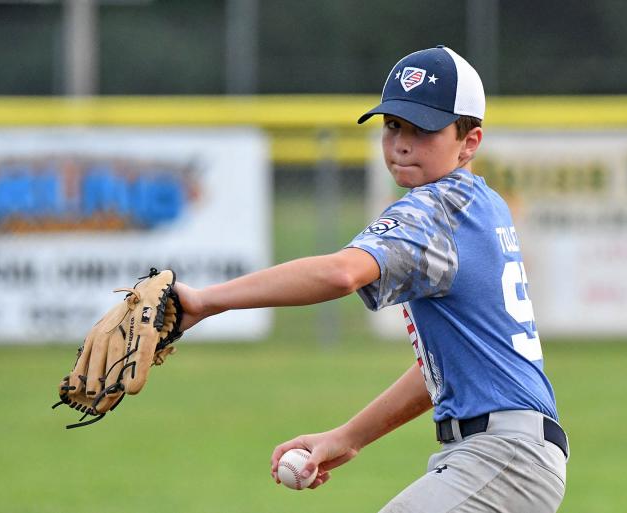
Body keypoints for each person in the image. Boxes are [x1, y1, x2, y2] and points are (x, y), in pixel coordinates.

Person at [175, 45, 568, 513]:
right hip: (505, 455)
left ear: (469, 142)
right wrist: (349, 438)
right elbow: (441, 374)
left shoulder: (435, 208)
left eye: (423, 129)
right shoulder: (480, 204)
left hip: (502, 459)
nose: (402, 143)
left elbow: (341, 273)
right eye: (393, 125)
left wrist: (205, 301)